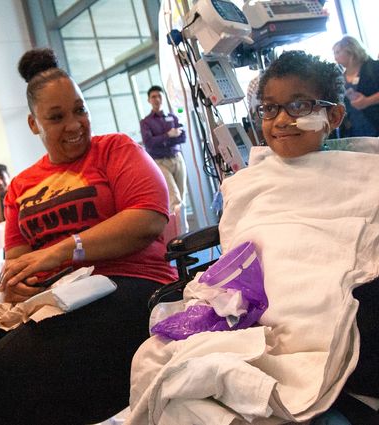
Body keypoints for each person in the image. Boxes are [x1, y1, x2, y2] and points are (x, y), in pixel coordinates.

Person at [129, 51, 379, 424]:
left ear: (334, 115)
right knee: (155, 359)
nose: (281, 119)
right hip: (256, 310)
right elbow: (235, 253)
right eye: (269, 109)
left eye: (299, 105)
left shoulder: (365, 174)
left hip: (325, 300)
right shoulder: (245, 185)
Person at [0, 48, 178, 425]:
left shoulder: (115, 150)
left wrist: (63, 251)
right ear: (34, 125)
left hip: (129, 284)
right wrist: (22, 282)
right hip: (55, 295)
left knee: (7, 369)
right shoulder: (20, 185)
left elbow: (147, 218)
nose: (75, 124)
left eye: (80, 110)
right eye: (57, 117)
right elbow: (19, 258)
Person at [140, 85, 189, 231]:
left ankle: (178, 230)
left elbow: (182, 137)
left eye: (159, 96)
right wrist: (168, 135)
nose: (157, 99)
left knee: (182, 197)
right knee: (175, 200)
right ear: (149, 100)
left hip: (177, 158)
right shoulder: (146, 122)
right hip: (160, 162)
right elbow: (149, 143)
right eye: (154, 97)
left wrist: (162, 139)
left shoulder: (172, 116)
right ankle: (181, 234)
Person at [333, 35, 379, 136]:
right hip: (355, 132)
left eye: (337, 52)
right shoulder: (340, 78)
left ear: (350, 50)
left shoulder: (374, 67)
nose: (335, 57)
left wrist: (368, 101)